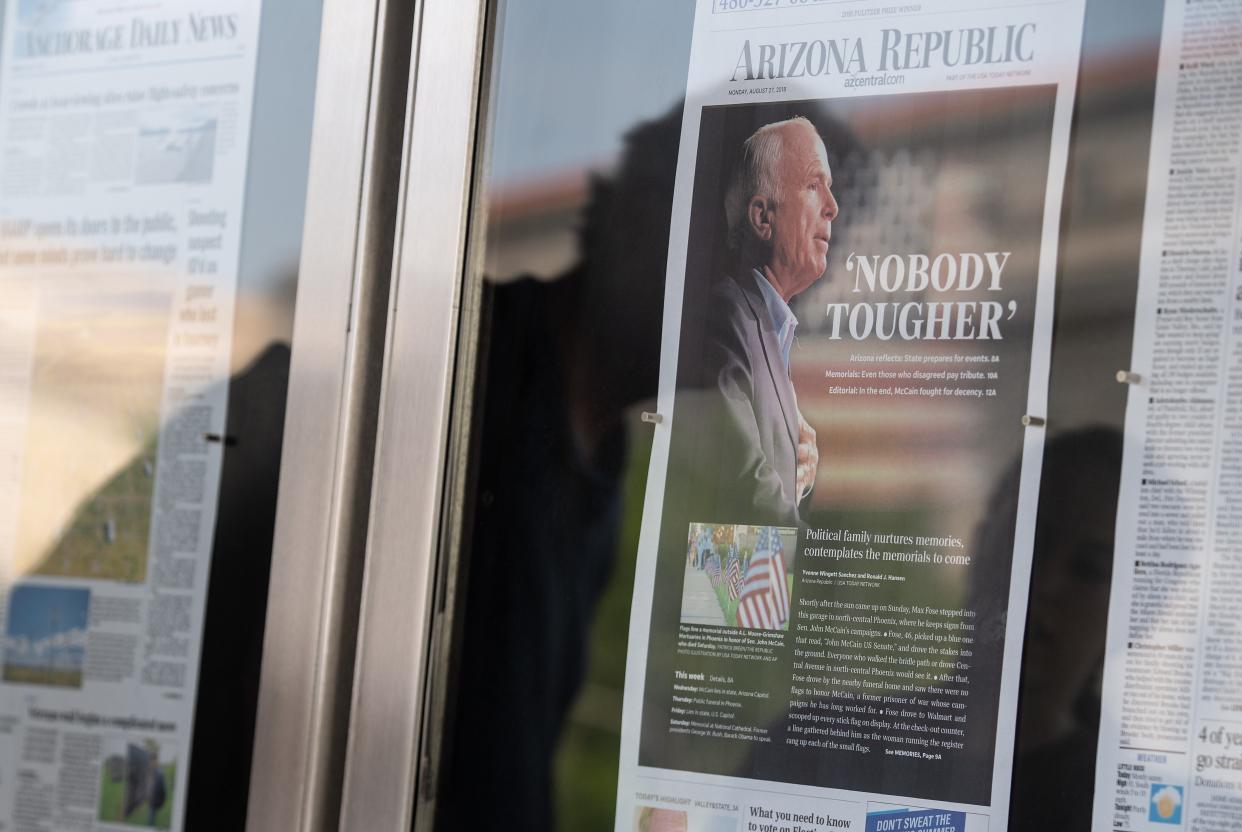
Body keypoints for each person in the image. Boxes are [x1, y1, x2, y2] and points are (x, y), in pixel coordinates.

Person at [688, 116, 837, 534]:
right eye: (813, 185)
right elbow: (741, 485)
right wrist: (829, 567)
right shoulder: (726, 315)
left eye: (830, 186)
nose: (832, 205)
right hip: (723, 588)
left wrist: (797, 476)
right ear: (762, 217)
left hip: (748, 587)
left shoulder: (770, 327)